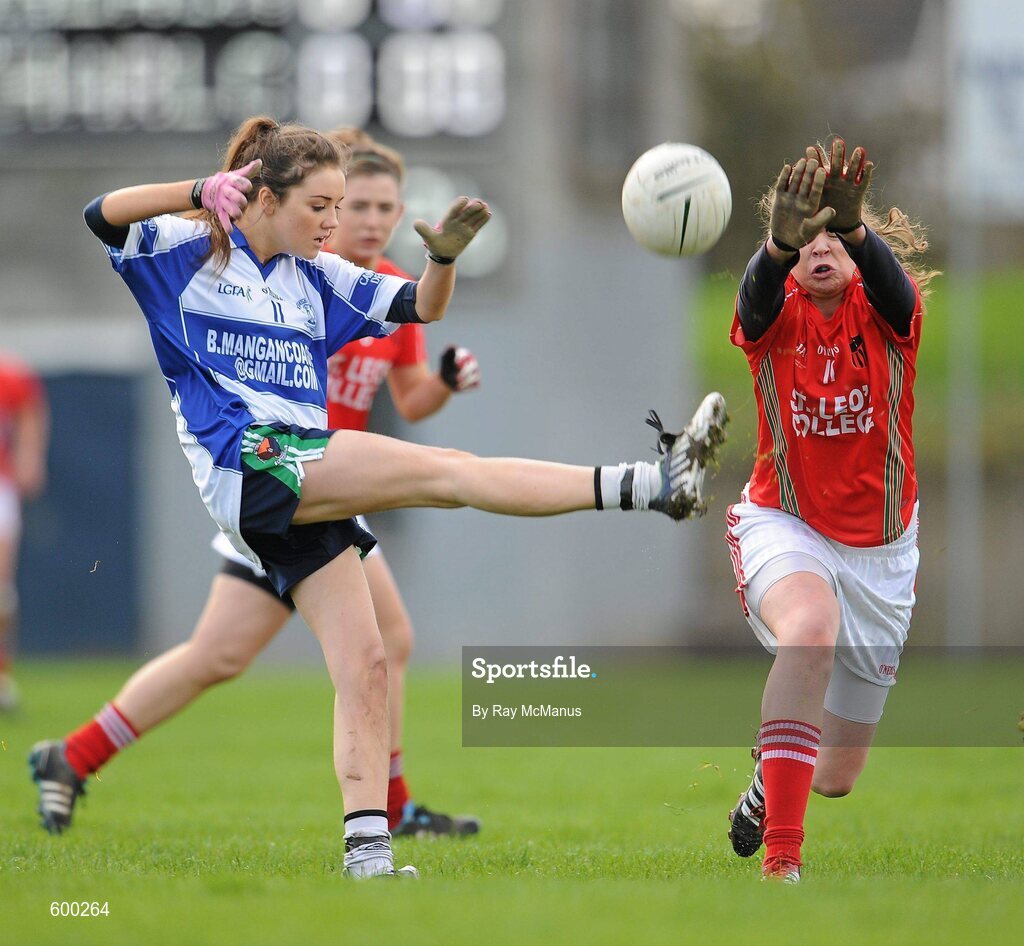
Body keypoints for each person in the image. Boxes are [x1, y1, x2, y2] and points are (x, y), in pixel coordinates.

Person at [30, 116, 727, 879]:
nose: (336, 223)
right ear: (261, 197)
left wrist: (443, 257)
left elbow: (420, 309)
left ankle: (368, 854)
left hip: (302, 480)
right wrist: (198, 192)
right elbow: (101, 212)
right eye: (322, 205)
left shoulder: (316, 276)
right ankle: (653, 484)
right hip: (253, 464)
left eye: (349, 205)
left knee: (365, 663)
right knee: (448, 473)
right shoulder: (183, 253)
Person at [34, 127, 483, 843]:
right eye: (351, 203)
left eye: (381, 208)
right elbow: (117, 223)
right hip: (278, 480)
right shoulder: (283, 264)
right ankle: (392, 812)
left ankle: (73, 754)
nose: (364, 220)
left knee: (221, 656)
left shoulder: (375, 285)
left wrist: (446, 383)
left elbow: (413, 395)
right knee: (382, 639)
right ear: (294, 202)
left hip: (323, 487)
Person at [723, 138, 938, 882]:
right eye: (802, 238)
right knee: (810, 630)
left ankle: (765, 784)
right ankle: (783, 865)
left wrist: (857, 232)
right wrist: (775, 248)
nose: (818, 248)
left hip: (882, 555)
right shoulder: (773, 315)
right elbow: (752, 300)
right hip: (786, 524)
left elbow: (897, 290)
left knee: (837, 773)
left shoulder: (889, 314)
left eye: (831, 237)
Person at [0, 354, 48, 710]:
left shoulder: (12, 376)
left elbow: (30, 417)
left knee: (1, 591)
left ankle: (1, 676)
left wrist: (30, 460)